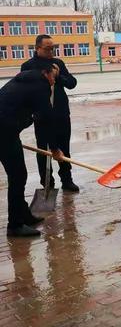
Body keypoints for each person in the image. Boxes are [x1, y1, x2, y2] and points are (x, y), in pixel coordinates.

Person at [0, 67, 64, 237]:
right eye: (54, 76)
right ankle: (15, 225)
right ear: (46, 73)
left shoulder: (23, 82)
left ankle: (23, 215)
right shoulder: (39, 86)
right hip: (4, 132)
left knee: (19, 175)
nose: (54, 81)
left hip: (7, 130)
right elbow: (48, 118)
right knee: (18, 176)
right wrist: (56, 149)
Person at [21, 35, 79, 192]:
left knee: (64, 149)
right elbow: (25, 91)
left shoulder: (58, 63)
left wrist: (59, 76)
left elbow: (72, 83)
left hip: (60, 113)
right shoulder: (28, 66)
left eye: (53, 48)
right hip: (41, 115)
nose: (51, 51)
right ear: (37, 48)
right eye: (47, 49)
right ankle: (47, 182)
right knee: (44, 150)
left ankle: (67, 180)